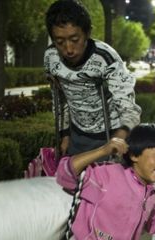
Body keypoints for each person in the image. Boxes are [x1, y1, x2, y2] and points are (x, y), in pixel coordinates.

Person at [44, 0, 141, 157]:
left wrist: (121, 136)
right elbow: (59, 98)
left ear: (88, 33)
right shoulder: (51, 56)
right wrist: (65, 135)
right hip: (77, 134)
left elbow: (129, 107)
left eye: (75, 40)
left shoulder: (105, 57)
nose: (68, 49)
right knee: (73, 180)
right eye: (60, 42)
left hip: (109, 134)